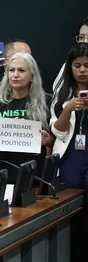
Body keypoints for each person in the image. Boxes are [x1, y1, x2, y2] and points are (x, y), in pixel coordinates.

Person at [0, 52, 53, 185]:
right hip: (1, 173)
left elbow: (55, 141)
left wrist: (49, 141)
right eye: (11, 70)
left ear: (32, 76)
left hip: (33, 174)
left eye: (21, 70)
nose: (15, 75)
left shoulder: (47, 102)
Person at [50, 43, 88, 205]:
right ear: (70, 67)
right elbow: (58, 132)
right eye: (77, 65)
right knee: (69, 203)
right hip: (70, 156)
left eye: (87, 66)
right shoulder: (62, 93)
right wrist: (68, 110)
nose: (82, 70)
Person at [53, 16, 88, 91]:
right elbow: (57, 98)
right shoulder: (69, 65)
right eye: (81, 37)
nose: (85, 41)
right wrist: (69, 103)